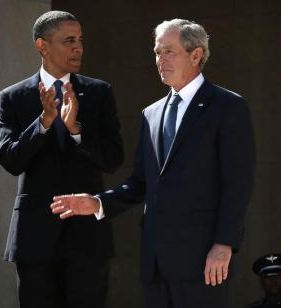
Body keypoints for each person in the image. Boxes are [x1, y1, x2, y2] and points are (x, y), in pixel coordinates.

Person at [50, 18, 255, 308]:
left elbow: (238, 183)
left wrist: (224, 244)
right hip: (156, 262)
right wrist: (97, 203)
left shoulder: (227, 107)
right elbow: (141, 183)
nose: (160, 60)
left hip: (204, 261)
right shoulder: (151, 114)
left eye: (168, 51)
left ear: (196, 55)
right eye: (157, 53)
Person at [0, 10, 123, 308]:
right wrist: (43, 122)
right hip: (34, 238)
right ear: (42, 46)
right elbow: (11, 161)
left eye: (80, 40)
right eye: (68, 41)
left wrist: (75, 129)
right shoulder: (13, 97)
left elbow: (113, 159)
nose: (78, 47)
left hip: (88, 239)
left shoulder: (99, 92)